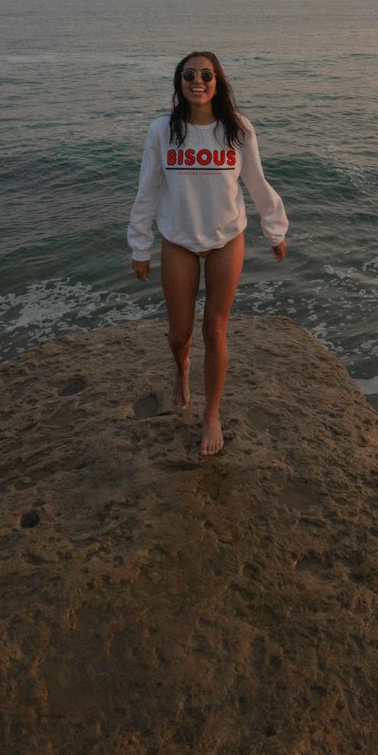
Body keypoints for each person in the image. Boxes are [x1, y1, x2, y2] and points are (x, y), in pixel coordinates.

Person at [128, 51, 288, 456]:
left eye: (206, 74)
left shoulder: (238, 130)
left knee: (214, 329)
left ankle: (211, 413)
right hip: (178, 240)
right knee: (180, 333)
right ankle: (181, 368)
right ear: (179, 82)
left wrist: (275, 230)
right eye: (189, 75)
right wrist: (139, 245)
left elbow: (256, 183)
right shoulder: (163, 131)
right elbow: (147, 191)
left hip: (227, 238)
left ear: (218, 82)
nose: (197, 81)